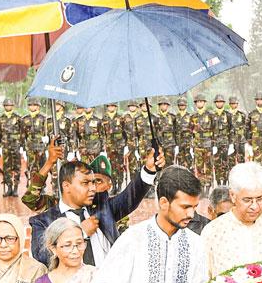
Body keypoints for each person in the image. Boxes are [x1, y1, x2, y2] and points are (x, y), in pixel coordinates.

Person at [29, 146, 160, 267]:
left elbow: (130, 197)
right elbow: (42, 256)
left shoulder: (102, 206)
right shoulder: (43, 221)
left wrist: (149, 170)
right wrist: (81, 233)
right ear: (66, 186)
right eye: (85, 183)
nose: (92, 188)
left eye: (93, 182)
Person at [201, 161, 262, 277]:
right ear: (233, 195)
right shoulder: (213, 231)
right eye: (247, 200)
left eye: (260, 199)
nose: (254, 206)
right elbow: (204, 281)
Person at [21, 98, 50, 194]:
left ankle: (42, 187)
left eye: (34, 105)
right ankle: (34, 186)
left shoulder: (43, 118)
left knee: (42, 168)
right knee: (32, 168)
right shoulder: (25, 119)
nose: (32, 107)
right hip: (30, 147)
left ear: (38, 106)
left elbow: (49, 132)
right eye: (30, 105)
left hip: (41, 147)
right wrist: (23, 148)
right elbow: (23, 134)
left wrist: (47, 139)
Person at [0, 98, 23, 197]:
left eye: (10, 105)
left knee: (16, 167)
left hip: (16, 146)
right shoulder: (0, 119)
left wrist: (22, 145)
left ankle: (15, 188)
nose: (8, 107)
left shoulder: (18, 118)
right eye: (6, 105)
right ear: (4, 107)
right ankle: (9, 187)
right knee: (6, 168)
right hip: (5, 146)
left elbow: (22, 132)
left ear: (13, 106)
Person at [101, 102, 129, 191]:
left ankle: (120, 185)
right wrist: (103, 144)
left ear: (116, 107)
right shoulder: (104, 118)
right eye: (109, 106)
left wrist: (126, 144)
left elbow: (125, 131)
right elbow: (102, 133)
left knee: (120, 166)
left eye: (112, 106)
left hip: (119, 145)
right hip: (110, 146)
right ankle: (113, 185)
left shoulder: (121, 118)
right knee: (111, 166)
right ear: (107, 107)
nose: (111, 107)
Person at [191, 95, 215, 183]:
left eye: (201, 101)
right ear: (195, 104)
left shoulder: (210, 114)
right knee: (199, 165)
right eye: (197, 102)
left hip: (208, 143)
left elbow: (215, 129)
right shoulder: (193, 116)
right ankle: (201, 185)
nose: (199, 103)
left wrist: (214, 143)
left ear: (204, 103)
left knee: (208, 165)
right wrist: (192, 144)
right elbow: (191, 130)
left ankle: (208, 185)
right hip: (197, 144)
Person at [228, 97, 249, 164]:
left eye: (235, 103)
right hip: (230, 140)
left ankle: (242, 172)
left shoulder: (242, 114)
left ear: (237, 104)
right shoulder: (227, 114)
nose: (233, 105)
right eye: (232, 103)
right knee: (231, 159)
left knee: (241, 159)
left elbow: (246, 126)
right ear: (229, 104)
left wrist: (247, 138)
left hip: (240, 140)